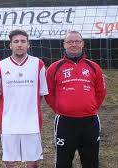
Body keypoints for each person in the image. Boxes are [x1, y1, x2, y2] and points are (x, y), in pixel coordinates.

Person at [45, 31, 106, 168]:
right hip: (65, 122)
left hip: (90, 120)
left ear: (83, 43)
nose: (74, 44)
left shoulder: (93, 67)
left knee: (91, 160)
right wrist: (61, 108)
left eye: (77, 41)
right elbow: (49, 93)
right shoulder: (54, 68)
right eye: (70, 42)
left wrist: (90, 107)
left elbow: (100, 91)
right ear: (64, 44)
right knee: (63, 161)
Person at [0, 29, 48, 168]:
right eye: (16, 41)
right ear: (10, 45)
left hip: (31, 122)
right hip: (9, 122)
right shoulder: (0, 65)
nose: (19, 44)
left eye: (23, 41)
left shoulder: (38, 64)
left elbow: (41, 93)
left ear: (28, 44)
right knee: (10, 161)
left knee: (33, 162)